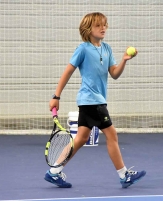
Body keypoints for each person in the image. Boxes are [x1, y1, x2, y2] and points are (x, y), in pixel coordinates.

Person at [44, 12, 146, 188]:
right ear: (88, 29)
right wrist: (56, 96)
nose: (103, 28)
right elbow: (68, 71)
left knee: (81, 138)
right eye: (98, 25)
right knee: (111, 134)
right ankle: (124, 175)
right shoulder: (83, 49)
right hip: (91, 100)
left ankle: (53, 172)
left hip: (94, 101)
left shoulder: (107, 49)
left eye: (105, 24)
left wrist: (124, 60)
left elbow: (114, 74)